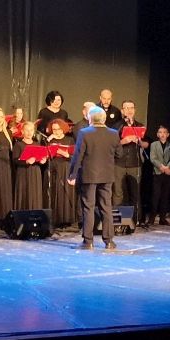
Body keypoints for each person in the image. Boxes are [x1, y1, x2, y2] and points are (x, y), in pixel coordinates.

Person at [66, 105, 119, 250]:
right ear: (104, 119)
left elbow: (78, 155)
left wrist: (72, 174)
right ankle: (109, 241)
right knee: (106, 207)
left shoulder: (84, 133)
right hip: (107, 175)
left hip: (89, 175)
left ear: (90, 118)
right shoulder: (114, 133)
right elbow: (119, 153)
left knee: (88, 207)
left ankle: (88, 241)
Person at [42, 117, 76, 227]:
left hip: (65, 167)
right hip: (52, 167)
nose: (56, 131)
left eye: (58, 129)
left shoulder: (69, 140)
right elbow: (42, 153)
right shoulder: (48, 140)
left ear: (63, 129)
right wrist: (48, 140)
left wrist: (66, 154)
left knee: (64, 193)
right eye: (54, 129)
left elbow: (75, 156)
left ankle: (66, 219)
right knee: (52, 192)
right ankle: (52, 219)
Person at [114, 101, 144, 226]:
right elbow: (111, 144)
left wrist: (139, 141)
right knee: (118, 193)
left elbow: (145, 144)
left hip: (134, 163)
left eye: (131, 108)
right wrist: (123, 141)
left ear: (134, 110)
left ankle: (135, 220)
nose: (129, 110)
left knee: (135, 193)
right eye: (126, 108)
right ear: (122, 110)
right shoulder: (117, 126)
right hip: (119, 163)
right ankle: (116, 220)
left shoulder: (140, 126)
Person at [12, 119, 46, 213]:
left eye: (31, 130)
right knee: (24, 193)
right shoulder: (18, 144)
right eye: (27, 130)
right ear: (22, 131)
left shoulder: (37, 144)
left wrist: (42, 161)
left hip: (35, 172)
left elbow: (40, 158)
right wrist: (26, 161)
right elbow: (15, 160)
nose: (29, 132)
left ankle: (35, 215)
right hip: (23, 172)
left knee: (35, 193)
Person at [145, 126, 170, 226]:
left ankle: (162, 218)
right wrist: (161, 166)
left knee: (165, 196)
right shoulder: (154, 144)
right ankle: (152, 218)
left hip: (167, 173)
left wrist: (168, 167)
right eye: (160, 132)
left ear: (168, 134)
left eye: (164, 132)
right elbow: (152, 158)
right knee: (155, 196)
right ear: (157, 134)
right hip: (157, 173)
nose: (162, 134)